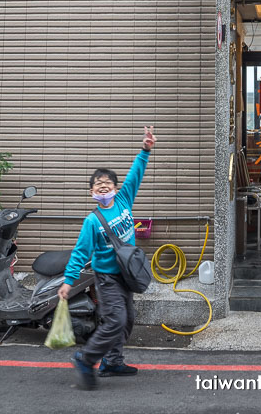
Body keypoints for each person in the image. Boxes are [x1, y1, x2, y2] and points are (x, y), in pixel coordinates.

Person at [59, 125, 156, 390]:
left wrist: (145, 150)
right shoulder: (92, 221)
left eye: (107, 184)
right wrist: (69, 280)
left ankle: (112, 362)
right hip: (107, 277)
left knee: (128, 319)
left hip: (127, 274)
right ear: (92, 191)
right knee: (116, 319)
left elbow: (136, 175)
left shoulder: (124, 200)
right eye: (98, 185)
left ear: (115, 187)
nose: (103, 188)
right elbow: (81, 252)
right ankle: (85, 358)